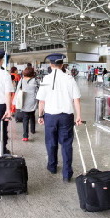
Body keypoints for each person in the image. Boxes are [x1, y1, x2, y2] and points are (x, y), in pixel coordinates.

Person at [37, 53, 82, 183]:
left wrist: (40, 115)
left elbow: (41, 101)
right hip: (66, 117)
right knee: (67, 144)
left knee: (51, 142)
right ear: (62, 65)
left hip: (50, 116)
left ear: (51, 65)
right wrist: (78, 116)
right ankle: (67, 173)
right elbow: (76, 100)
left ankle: (52, 166)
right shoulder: (69, 79)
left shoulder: (45, 79)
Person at [15, 67, 39, 141]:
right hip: (33, 101)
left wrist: (15, 100)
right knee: (32, 115)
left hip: (24, 100)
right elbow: (39, 90)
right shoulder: (35, 80)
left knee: (25, 118)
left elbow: (17, 89)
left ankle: (25, 136)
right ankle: (32, 130)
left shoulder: (22, 80)